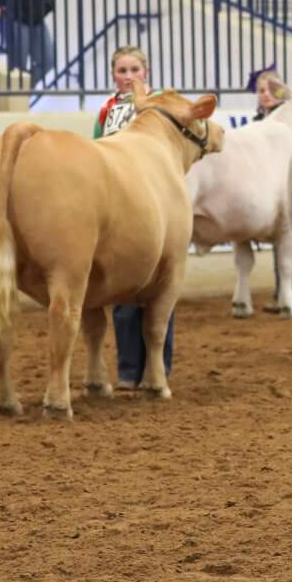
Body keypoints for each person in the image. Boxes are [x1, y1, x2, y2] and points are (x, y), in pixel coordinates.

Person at [94, 45, 175, 387]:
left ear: (146, 72)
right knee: (124, 289)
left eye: (134, 70)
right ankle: (129, 371)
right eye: (122, 71)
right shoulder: (107, 110)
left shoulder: (162, 103)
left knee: (161, 286)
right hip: (121, 199)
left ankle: (158, 369)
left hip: (157, 196)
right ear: (113, 75)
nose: (128, 77)